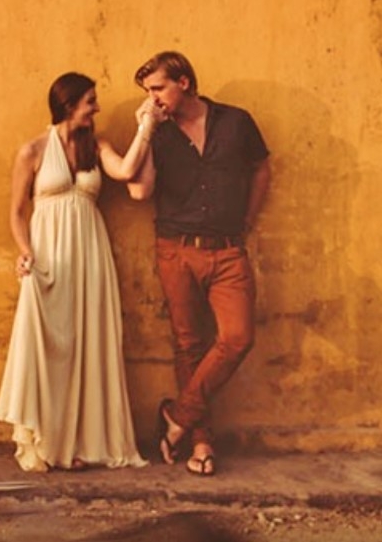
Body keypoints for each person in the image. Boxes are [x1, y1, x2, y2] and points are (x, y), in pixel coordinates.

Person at [0, 72, 163, 472]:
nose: (97, 107)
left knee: (90, 342)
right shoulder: (32, 151)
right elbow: (17, 212)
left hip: (89, 252)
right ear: (69, 104)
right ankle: (50, 442)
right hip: (48, 256)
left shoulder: (97, 145)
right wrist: (25, 253)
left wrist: (147, 127)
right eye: (91, 100)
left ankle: (86, 443)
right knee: (51, 346)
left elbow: (124, 172)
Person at [128, 51, 271, 478]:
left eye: (158, 89)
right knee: (189, 344)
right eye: (148, 92)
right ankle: (201, 441)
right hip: (176, 249)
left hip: (228, 250)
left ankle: (177, 415)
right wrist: (146, 129)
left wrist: (246, 219)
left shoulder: (236, 122)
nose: (153, 98)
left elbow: (261, 167)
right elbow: (139, 191)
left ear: (184, 83)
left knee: (237, 337)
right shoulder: (159, 130)